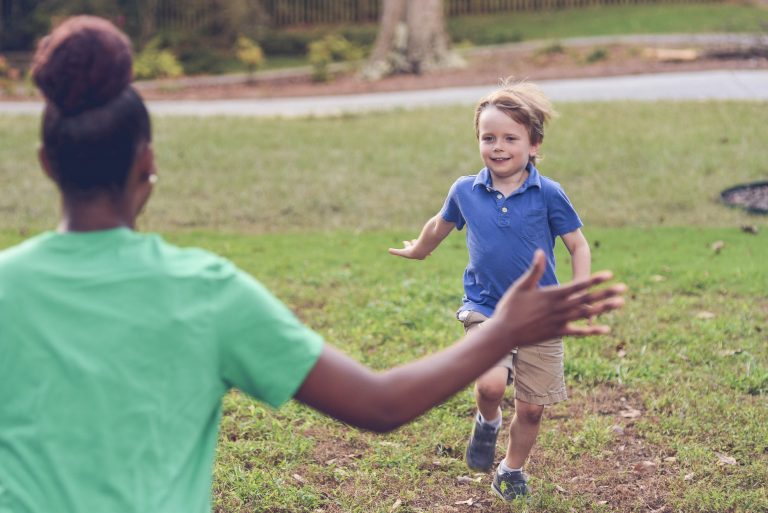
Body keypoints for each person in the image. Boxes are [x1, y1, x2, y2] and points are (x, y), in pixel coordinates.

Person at [0, 17, 625, 513]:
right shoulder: (207, 293)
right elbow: (378, 404)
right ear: (148, 166)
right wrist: (507, 329)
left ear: (47, 164)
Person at [389, 80, 591, 501]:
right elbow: (438, 224)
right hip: (485, 308)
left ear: (533, 144)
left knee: (533, 409)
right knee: (490, 387)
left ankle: (511, 469)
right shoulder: (466, 190)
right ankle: (488, 421)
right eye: (489, 137)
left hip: (538, 314)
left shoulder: (549, 193)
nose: (498, 147)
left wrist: (578, 291)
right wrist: (420, 251)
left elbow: (577, 244)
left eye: (510, 138)